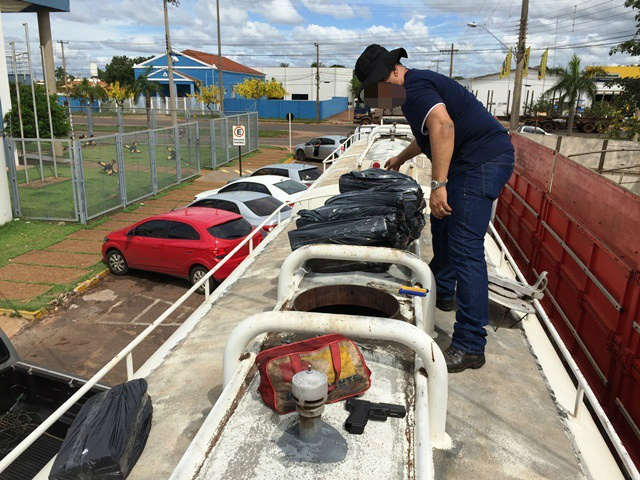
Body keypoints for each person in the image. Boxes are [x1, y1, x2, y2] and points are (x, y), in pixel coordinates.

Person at [355, 44, 515, 373]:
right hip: (469, 163)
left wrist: (438, 185)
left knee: (466, 248)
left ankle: (471, 344)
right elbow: (427, 135)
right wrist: (401, 158)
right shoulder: (412, 91)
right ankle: (443, 293)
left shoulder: (413, 88)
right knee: (442, 226)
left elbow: (443, 127)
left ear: (395, 73)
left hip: (481, 162)